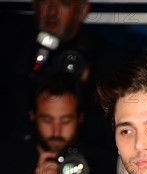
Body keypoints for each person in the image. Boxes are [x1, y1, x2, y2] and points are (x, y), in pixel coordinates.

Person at [0, 0, 122, 150]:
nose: (52, 11)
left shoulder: (108, 62)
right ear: (34, 5)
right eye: (45, 2)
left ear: (83, 10)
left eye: (64, 3)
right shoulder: (11, 51)